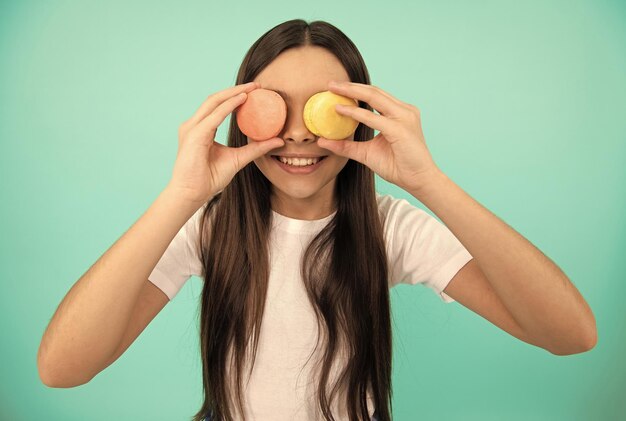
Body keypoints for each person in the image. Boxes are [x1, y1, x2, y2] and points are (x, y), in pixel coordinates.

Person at [39, 18, 595, 421]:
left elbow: (570, 335)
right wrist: (180, 196)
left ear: (359, 119)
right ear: (242, 118)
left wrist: (429, 182)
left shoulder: (389, 230)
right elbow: (62, 368)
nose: (301, 134)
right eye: (276, 106)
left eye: (320, 109)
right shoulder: (210, 227)